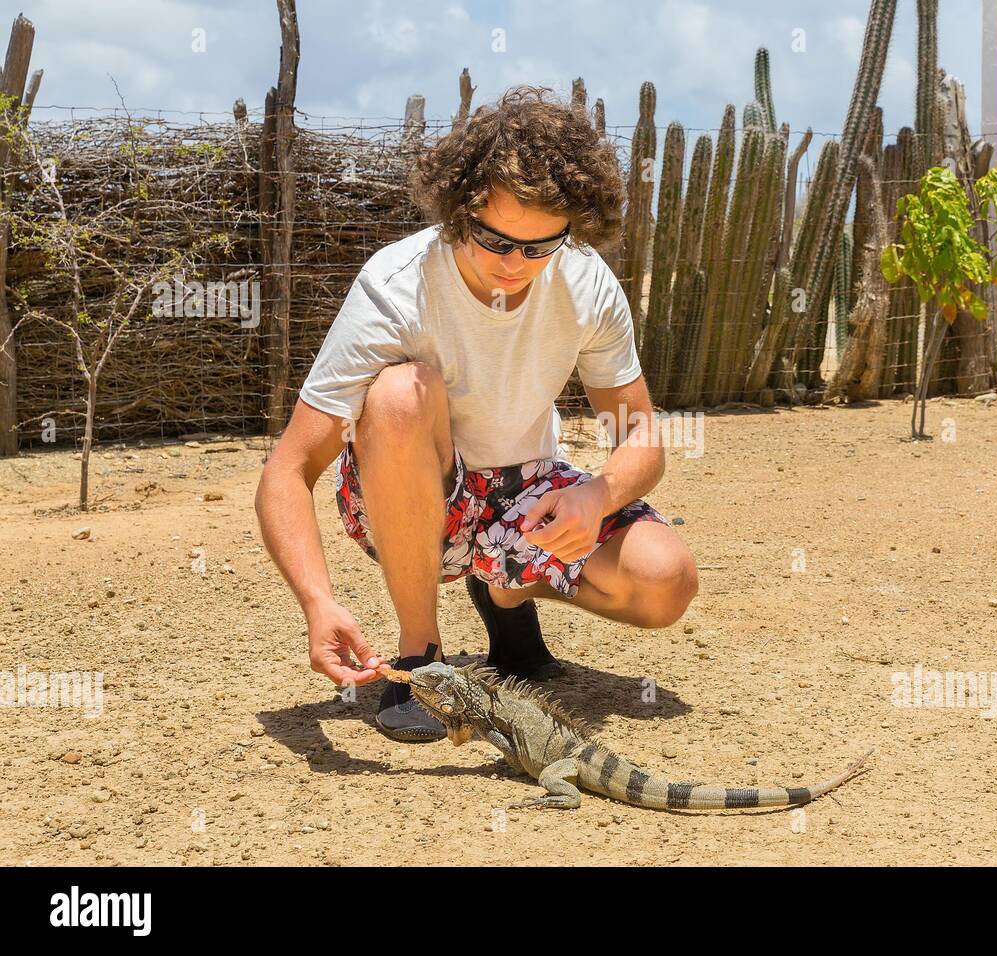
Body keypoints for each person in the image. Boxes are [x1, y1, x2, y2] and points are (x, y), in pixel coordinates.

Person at [254, 86, 699, 741]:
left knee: (666, 582)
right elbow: (288, 470)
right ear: (461, 210)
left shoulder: (586, 279)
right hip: (416, 486)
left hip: (530, 486)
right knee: (401, 393)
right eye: (498, 241)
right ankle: (420, 656)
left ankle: (505, 591)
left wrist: (597, 498)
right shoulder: (395, 285)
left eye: (540, 247)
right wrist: (318, 604)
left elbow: (640, 437)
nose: (517, 265)